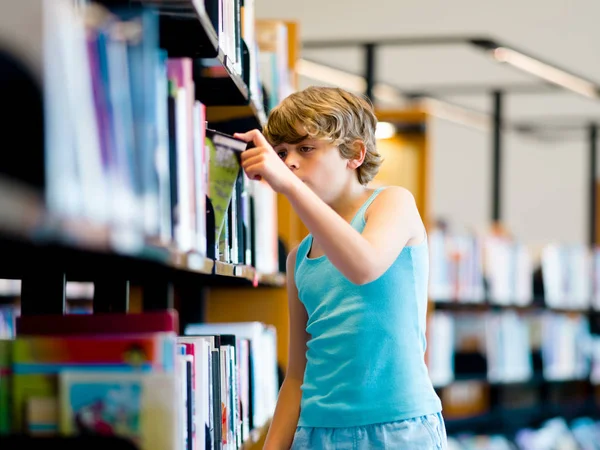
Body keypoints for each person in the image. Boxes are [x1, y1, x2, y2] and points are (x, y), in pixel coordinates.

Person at [234, 86, 446, 449]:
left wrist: (287, 185)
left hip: (398, 428)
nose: (290, 163)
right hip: (317, 432)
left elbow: (363, 265)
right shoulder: (298, 257)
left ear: (355, 154)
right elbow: (297, 376)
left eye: (306, 149)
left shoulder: (392, 203)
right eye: (282, 152)